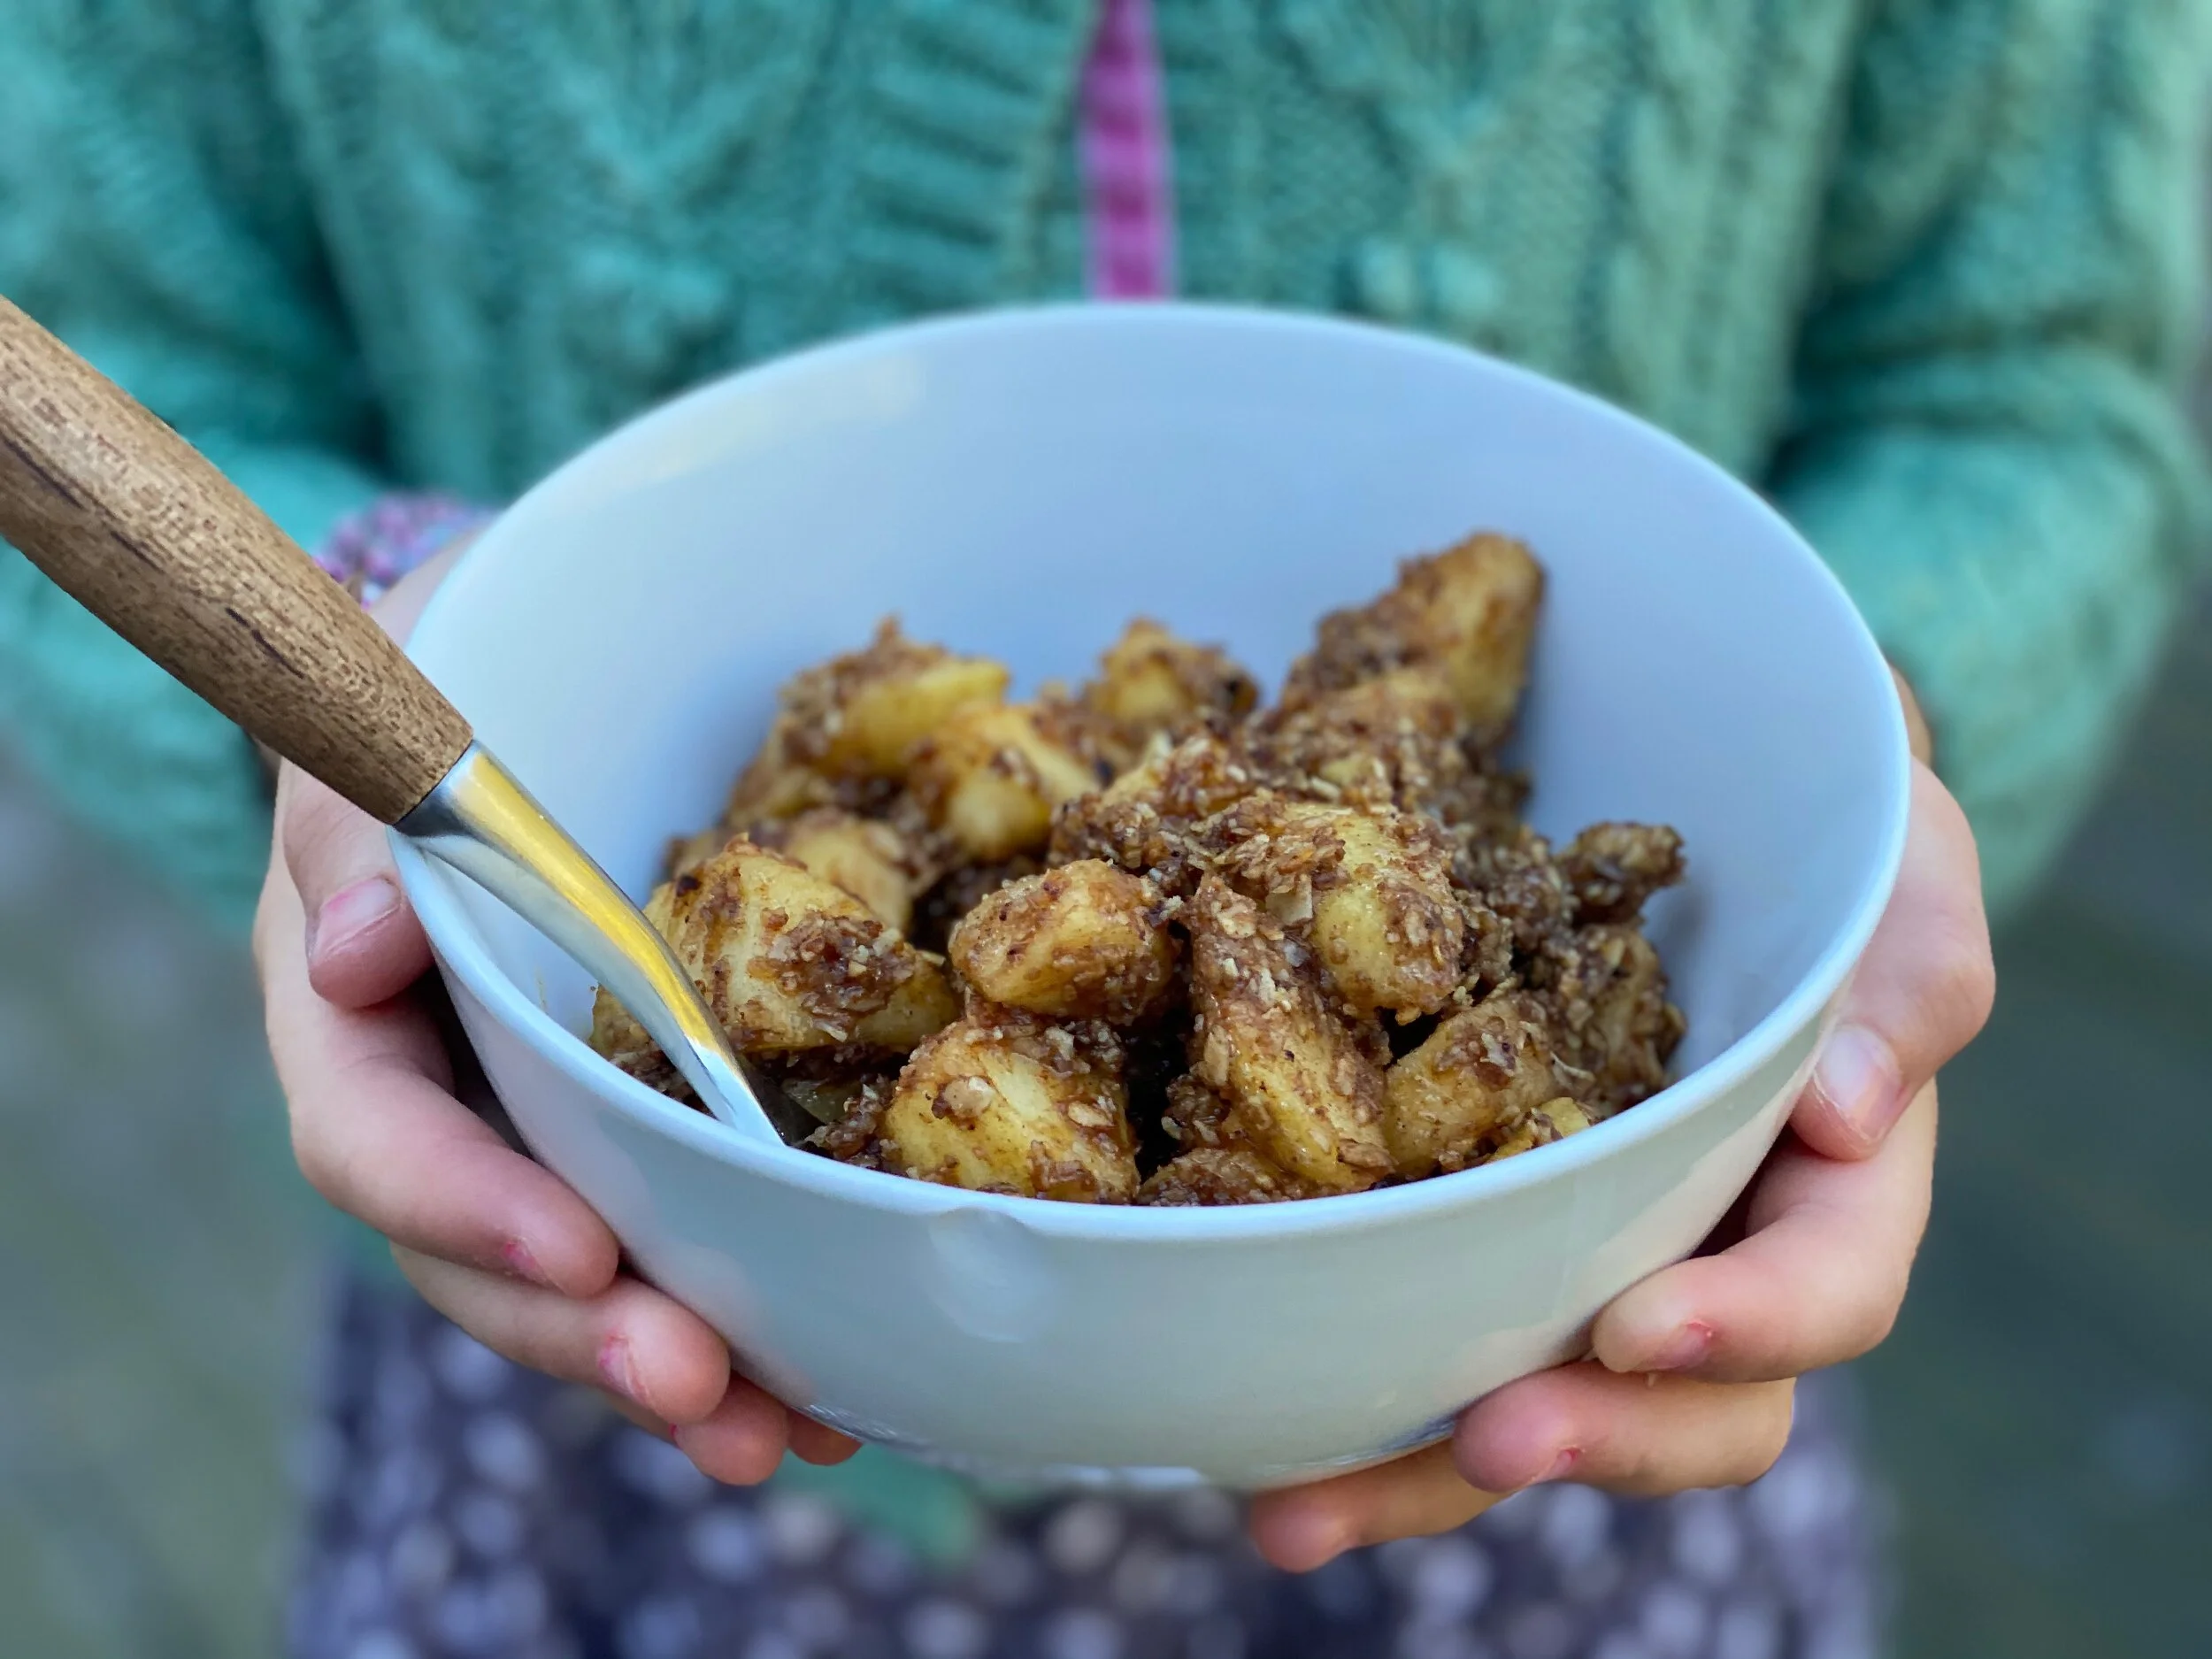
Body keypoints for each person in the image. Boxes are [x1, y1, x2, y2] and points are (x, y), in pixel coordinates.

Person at [2, 2, 2200, 1654]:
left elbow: (2032, 379)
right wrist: (369, 662)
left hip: (1570, 1429)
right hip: (611, 1410)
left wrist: (1870, 720)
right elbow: (90, 352)